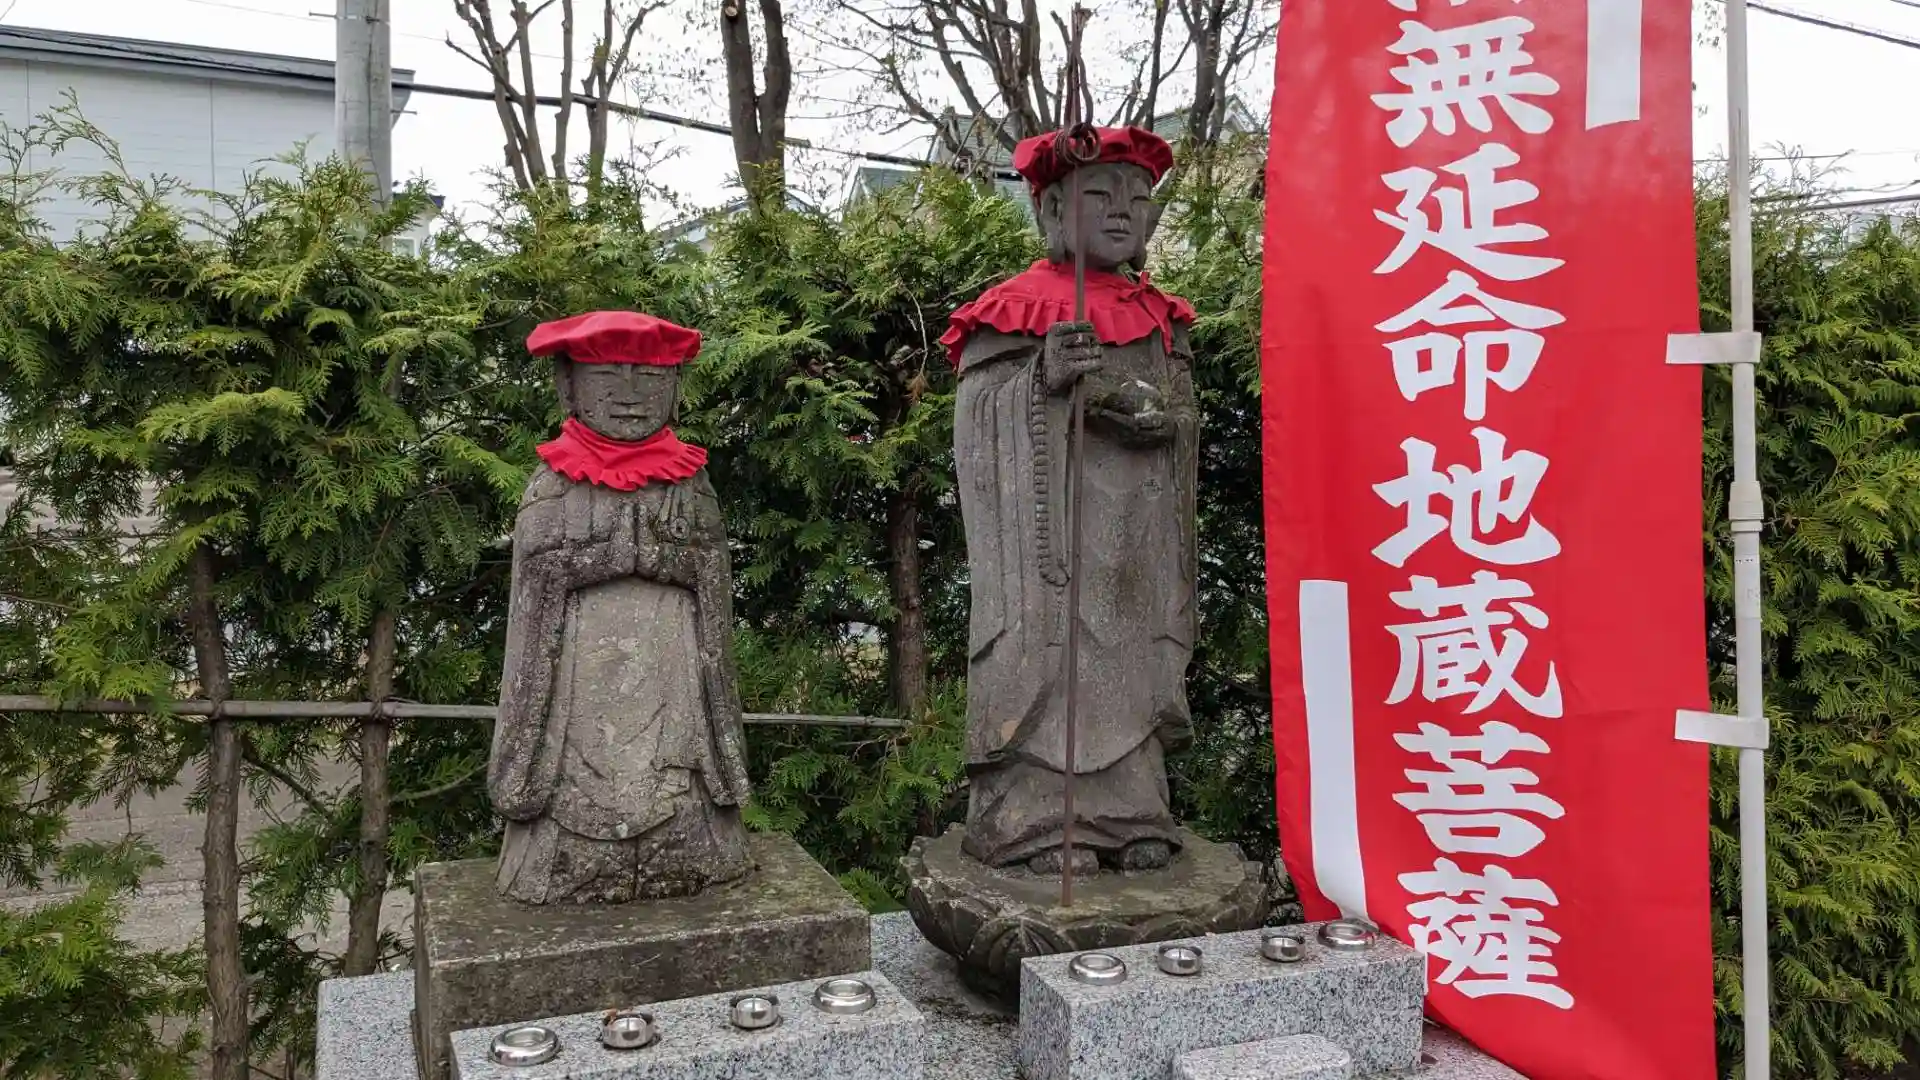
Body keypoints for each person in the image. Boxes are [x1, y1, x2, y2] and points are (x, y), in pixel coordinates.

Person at [942, 127, 1198, 876]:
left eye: (1137, 198)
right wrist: (1041, 382)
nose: (1122, 210)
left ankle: (1132, 812)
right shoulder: (1012, 310)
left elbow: (1184, 413)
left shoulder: (1161, 317)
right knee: (1051, 659)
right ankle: (1035, 819)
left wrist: (1166, 420)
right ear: (1052, 209)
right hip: (1049, 548)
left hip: (1135, 535)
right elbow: (979, 423)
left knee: (1130, 663)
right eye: (1099, 194)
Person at [488, 311, 753, 904]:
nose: (631, 394)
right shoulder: (554, 482)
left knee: (680, 771)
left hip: (671, 672)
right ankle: (566, 852)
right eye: (607, 375)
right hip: (577, 681)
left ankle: (690, 841)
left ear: (675, 389)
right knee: (570, 772)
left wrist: (663, 560)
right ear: (568, 386)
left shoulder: (690, 482)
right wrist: (603, 558)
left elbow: (711, 573)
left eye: (651, 378)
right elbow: (534, 580)